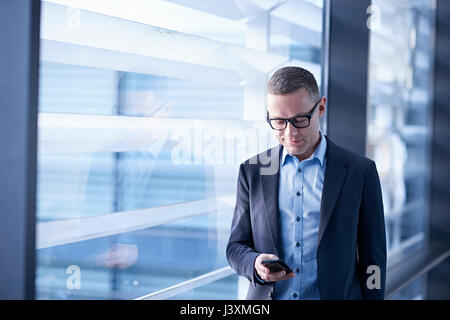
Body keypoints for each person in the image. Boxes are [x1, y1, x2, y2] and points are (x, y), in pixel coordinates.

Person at [226, 66, 386, 300]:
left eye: (299, 120)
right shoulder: (252, 171)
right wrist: (255, 264)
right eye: (279, 121)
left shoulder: (360, 172)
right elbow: (235, 248)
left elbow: (374, 261)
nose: (290, 132)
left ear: (320, 107)